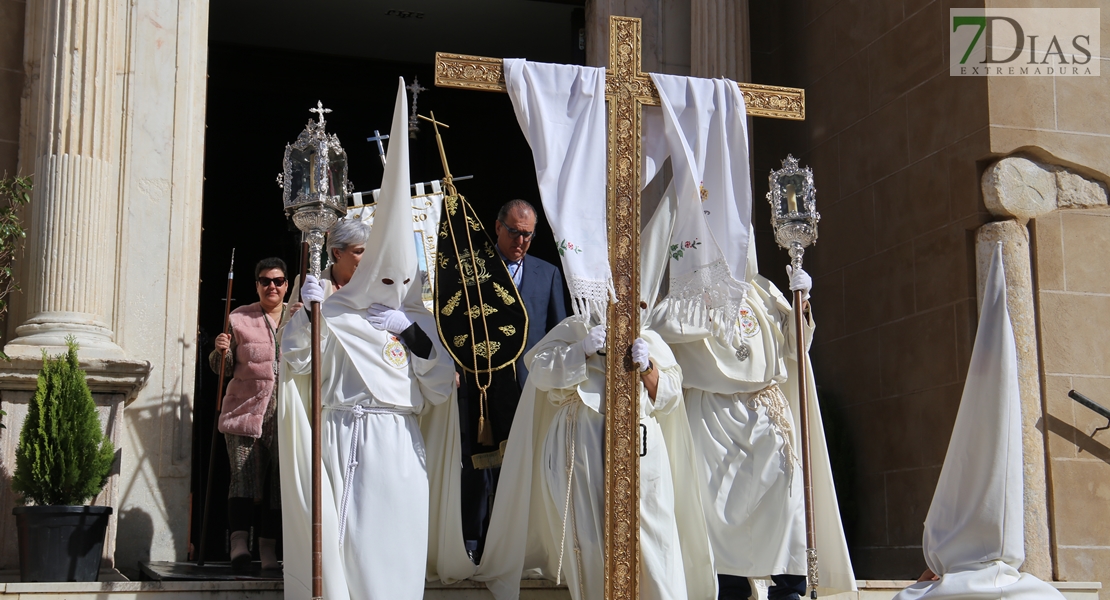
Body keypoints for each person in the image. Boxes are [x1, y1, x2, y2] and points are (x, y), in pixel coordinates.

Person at [473, 186, 716, 600]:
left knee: (652, 537)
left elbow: (672, 395)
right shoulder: (574, 331)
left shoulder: (651, 338)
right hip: (580, 447)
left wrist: (649, 367)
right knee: (591, 542)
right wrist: (580, 352)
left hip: (640, 448)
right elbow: (540, 372)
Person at [277, 78, 465, 599]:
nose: (371, 263)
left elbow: (442, 387)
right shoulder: (327, 309)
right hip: (344, 439)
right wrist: (304, 315)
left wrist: (413, 336)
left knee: (397, 554)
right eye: (359, 254)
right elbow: (293, 364)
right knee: (351, 558)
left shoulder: (413, 319)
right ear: (340, 256)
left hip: (399, 445)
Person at [653, 236, 855, 600]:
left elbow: (797, 347)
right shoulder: (685, 296)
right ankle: (729, 592)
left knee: (786, 508)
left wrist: (802, 301)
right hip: (713, 416)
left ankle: (789, 590)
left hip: (767, 414)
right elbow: (660, 326)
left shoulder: (763, 291)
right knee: (718, 519)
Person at [457, 198, 567, 560]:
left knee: (522, 465)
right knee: (477, 465)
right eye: (515, 233)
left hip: (527, 386)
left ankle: (512, 543)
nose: (521, 241)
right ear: (498, 227)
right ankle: (472, 542)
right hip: (481, 384)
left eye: (529, 236)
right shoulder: (472, 268)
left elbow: (556, 331)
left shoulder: (547, 273)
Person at [209, 256, 291, 572]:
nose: (272, 286)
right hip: (245, 410)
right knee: (242, 480)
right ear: (256, 285)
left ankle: (268, 550)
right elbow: (222, 370)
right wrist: (220, 351)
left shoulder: (298, 317)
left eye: (278, 281)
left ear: (286, 285)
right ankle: (239, 545)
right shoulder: (239, 317)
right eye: (265, 281)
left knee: (278, 485)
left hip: (284, 415)